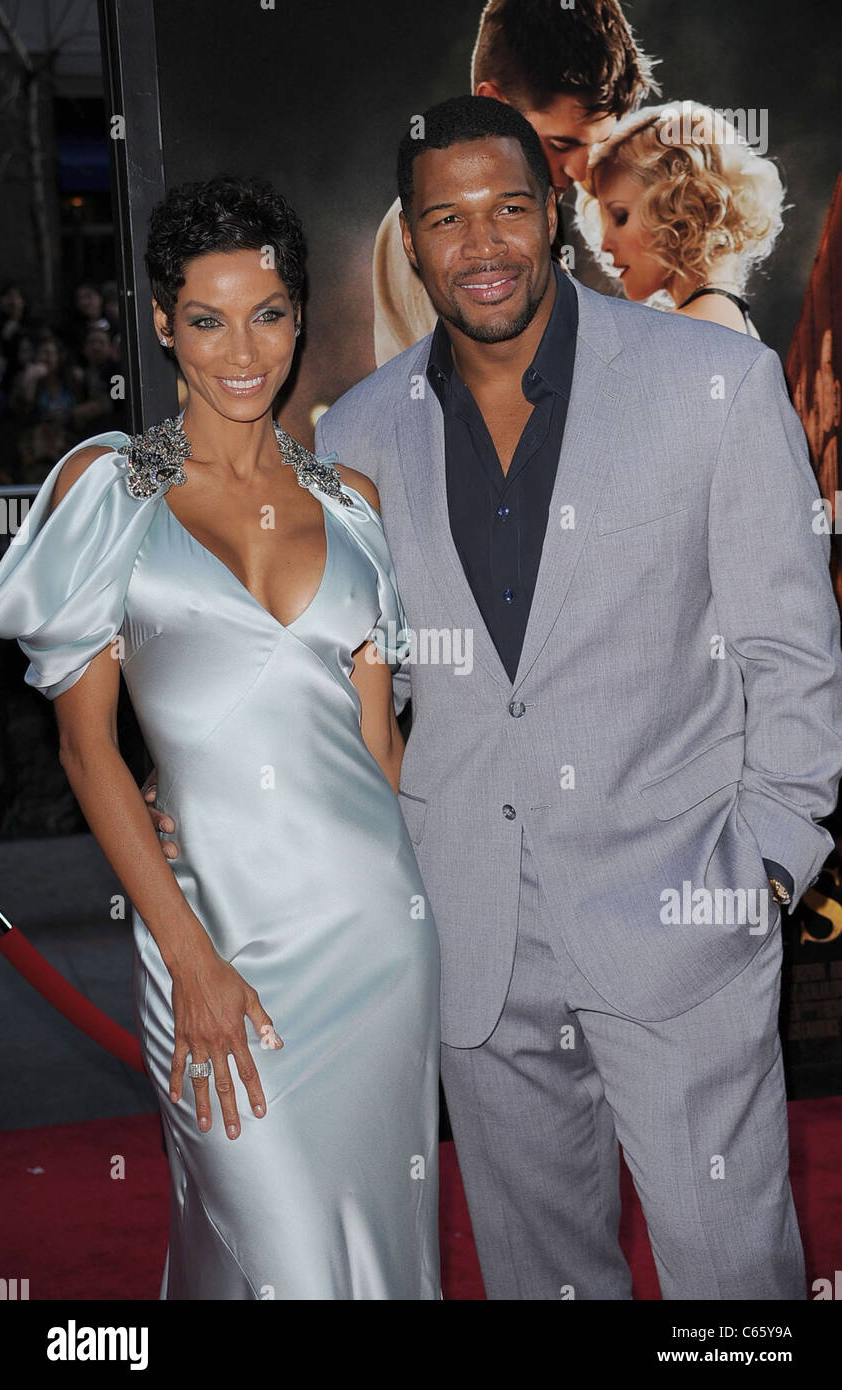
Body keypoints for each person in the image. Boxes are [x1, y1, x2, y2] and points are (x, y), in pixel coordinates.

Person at [311, 95, 839, 1299]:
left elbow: (792, 649)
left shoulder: (710, 380)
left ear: (553, 212)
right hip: (474, 937)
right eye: (446, 218)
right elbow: (349, 681)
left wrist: (764, 863)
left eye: (506, 207)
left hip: (683, 911)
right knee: (539, 1275)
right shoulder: (358, 430)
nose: (481, 244)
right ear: (412, 236)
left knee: (729, 1280)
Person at [0, 175, 441, 1300]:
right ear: (160, 321)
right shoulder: (110, 492)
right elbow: (88, 750)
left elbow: (376, 757)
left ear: (299, 315)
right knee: (271, 1253)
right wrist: (190, 957)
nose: (242, 350)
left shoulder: (351, 503)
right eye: (206, 317)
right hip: (214, 941)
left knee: (375, 1255)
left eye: (269, 313)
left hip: (373, 945)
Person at [372, 0, 657, 365]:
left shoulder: (530, 210)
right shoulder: (440, 232)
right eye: (561, 144)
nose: (582, 172)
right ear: (493, 105)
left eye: (596, 145)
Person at [575, 102, 786, 337]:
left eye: (621, 217)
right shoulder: (729, 319)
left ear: (683, 212)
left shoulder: (677, 333)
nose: (605, 244)